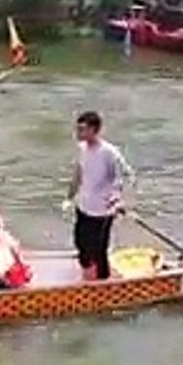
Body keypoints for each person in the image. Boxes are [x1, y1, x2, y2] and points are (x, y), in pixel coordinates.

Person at [65, 111, 135, 281]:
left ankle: (103, 281)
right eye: (77, 129)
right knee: (80, 243)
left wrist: (117, 198)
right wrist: (69, 197)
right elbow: (78, 174)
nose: (78, 133)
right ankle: (88, 274)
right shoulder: (82, 149)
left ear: (94, 130)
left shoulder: (109, 152)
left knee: (98, 249)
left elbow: (125, 176)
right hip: (83, 205)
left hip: (103, 210)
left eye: (82, 129)